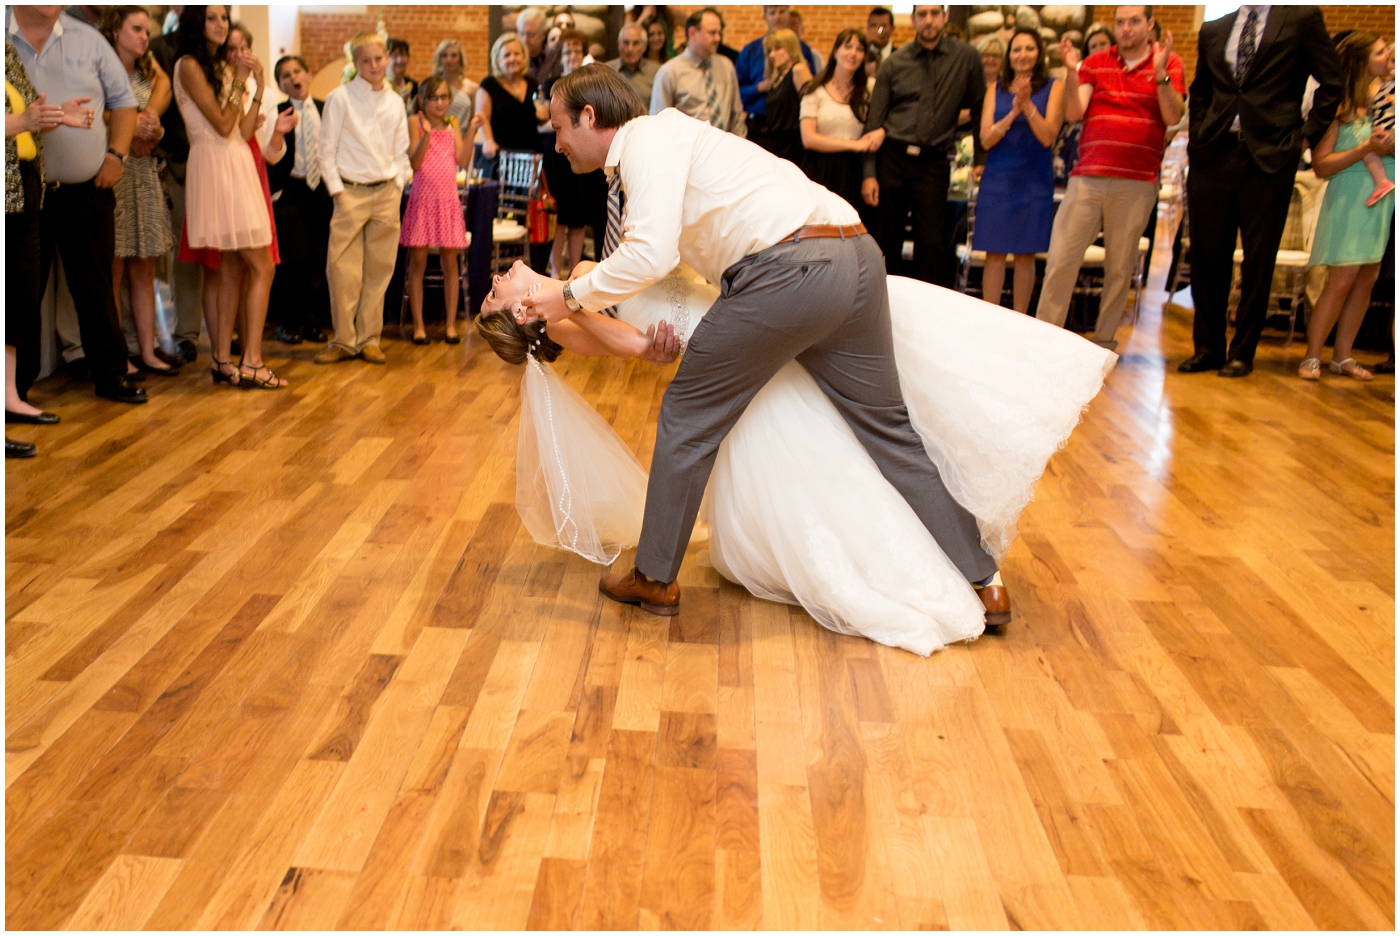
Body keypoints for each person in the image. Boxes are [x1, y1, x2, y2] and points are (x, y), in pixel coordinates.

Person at [518, 65, 1019, 629]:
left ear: (589, 116)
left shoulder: (647, 139)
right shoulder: (680, 137)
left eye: (558, 127)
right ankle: (984, 579)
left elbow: (651, 254)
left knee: (686, 413)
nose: (556, 142)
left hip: (789, 271)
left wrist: (568, 294)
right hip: (856, 255)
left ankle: (654, 576)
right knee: (889, 430)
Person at [479, 268, 1113, 653]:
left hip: (742, 308)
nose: (496, 280)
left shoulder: (572, 286)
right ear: (521, 313)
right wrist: (642, 337)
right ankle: (953, 567)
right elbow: (626, 344)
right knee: (853, 437)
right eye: (493, 294)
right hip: (721, 331)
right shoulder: (563, 315)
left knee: (853, 426)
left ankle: (959, 562)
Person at [1180, 5, 1343, 378]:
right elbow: (1202, 88)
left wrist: (1304, 136)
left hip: (1271, 155)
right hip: (1213, 153)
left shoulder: (1301, 19)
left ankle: (1242, 352)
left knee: (1258, 258)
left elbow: (1332, 82)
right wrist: (1199, 135)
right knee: (1207, 256)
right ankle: (1207, 348)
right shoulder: (1214, 28)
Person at [8, 4, 146, 405]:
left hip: (85, 189)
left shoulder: (90, 40)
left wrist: (117, 156)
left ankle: (111, 375)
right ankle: (16, 388)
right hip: (21, 192)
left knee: (96, 285)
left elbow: (124, 102)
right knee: (22, 292)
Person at [1033, 6, 1184, 351]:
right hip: (1087, 177)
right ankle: (1042, 342)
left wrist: (1160, 75)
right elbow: (1074, 112)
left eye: (1134, 22)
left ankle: (1103, 346)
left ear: (1149, 25)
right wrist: (1073, 71)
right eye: (1120, 22)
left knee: (1118, 270)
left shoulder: (1168, 62)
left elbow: (1173, 115)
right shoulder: (1096, 62)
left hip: (1137, 181)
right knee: (1061, 259)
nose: (1126, 29)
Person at [174, 6, 282, 389]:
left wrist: (260, 86)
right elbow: (221, 126)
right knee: (261, 266)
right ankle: (251, 359)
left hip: (239, 164)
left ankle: (223, 358)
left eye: (224, 18)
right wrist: (239, 79)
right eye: (212, 18)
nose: (220, 25)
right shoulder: (188, 64)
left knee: (234, 268)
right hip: (216, 165)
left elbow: (245, 128)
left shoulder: (222, 67)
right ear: (195, 22)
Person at [6, 38, 92, 454]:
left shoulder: (7, 51)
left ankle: (9, 397)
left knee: (19, 300)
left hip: (22, 185)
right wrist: (22, 122)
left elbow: (24, 115)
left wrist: (56, 116)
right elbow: (16, 120)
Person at [863, 5, 986, 287]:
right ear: (913, 19)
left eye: (934, 14)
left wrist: (981, 156)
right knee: (887, 241)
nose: (928, 21)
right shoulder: (894, 62)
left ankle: (924, 316)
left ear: (944, 16)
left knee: (931, 245)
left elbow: (980, 109)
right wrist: (869, 173)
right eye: (922, 15)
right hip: (892, 158)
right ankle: (886, 308)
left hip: (933, 164)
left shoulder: (966, 58)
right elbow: (874, 122)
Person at [1298, 32, 1395, 382]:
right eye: (1382, 51)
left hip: (1383, 199)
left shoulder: (1386, 102)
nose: (1388, 56)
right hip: (1350, 197)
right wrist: (1366, 148)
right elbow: (1321, 165)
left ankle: (1342, 355)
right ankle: (1312, 355)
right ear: (1361, 61)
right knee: (1340, 282)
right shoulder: (1338, 106)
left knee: (1366, 281)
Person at [315, 31, 409, 366]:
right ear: (355, 63)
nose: (373, 65)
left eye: (378, 58)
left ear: (387, 57)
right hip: (350, 192)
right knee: (342, 270)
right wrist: (338, 192)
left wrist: (398, 183)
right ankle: (343, 340)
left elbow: (401, 152)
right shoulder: (339, 98)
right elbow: (325, 153)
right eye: (365, 60)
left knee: (379, 271)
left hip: (386, 192)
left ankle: (370, 339)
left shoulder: (395, 101)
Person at [102, 6, 178, 377]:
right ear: (116, 30)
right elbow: (104, 117)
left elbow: (157, 110)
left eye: (147, 31)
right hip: (115, 172)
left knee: (144, 268)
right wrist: (132, 130)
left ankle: (147, 351)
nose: (144, 37)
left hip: (145, 174)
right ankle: (120, 355)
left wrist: (153, 128)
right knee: (113, 268)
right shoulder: (102, 70)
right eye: (136, 29)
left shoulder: (148, 73)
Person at [975, 28, 1063, 314]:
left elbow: (1048, 136)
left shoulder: (1054, 86)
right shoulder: (994, 89)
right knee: (995, 252)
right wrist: (1012, 112)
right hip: (998, 178)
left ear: (1039, 54)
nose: (1022, 55)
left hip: (1033, 180)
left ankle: (1021, 320)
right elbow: (986, 139)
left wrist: (1026, 105)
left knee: (1026, 254)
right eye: (1016, 49)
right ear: (1008, 56)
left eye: (1029, 49)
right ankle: (991, 318)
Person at [402, 76, 478, 345]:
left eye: (445, 97)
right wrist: (426, 134)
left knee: (450, 264)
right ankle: (419, 326)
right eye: (434, 98)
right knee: (418, 264)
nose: (441, 103)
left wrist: (471, 132)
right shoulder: (415, 122)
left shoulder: (452, 124)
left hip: (447, 201)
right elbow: (415, 162)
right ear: (422, 100)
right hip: (423, 199)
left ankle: (449, 325)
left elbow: (462, 159)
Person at [147, 10, 201, 364]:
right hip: (176, 159)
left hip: (216, 160)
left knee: (210, 254)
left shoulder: (217, 53)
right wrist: (164, 157)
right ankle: (186, 334)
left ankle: (221, 330)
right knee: (180, 252)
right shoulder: (159, 47)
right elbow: (157, 102)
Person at [267, 55, 332, 346]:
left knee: (319, 257)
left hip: (321, 191)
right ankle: (290, 322)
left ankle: (314, 322)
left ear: (308, 73)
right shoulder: (277, 112)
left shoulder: (325, 107)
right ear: (280, 83)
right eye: (284, 75)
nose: (293, 78)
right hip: (291, 190)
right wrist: (277, 190)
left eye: (297, 71)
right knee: (295, 259)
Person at [541, 29, 608, 278]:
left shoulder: (589, 85)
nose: (572, 56)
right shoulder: (552, 84)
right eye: (567, 52)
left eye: (577, 51)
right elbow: (549, 120)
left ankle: (575, 271)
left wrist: (546, 122)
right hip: (557, 156)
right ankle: (555, 271)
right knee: (559, 216)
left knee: (578, 216)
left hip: (583, 154)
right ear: (560, 56)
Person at [800, 28, 882, 226]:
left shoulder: (870, 89)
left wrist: (882, 131)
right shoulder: (815, 90)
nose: (853, 53)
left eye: (860, 49)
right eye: (848, 46)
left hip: (854, 173)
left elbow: (886, 118)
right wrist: (854, 145)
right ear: (835, 51)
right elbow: (809, 139)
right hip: (820, 170)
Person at [650, 8, 745, 137]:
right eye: (712, 33)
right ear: (693, 33)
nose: (717, 38)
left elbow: (736, 115)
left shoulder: (726, 66)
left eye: (719, 33)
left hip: (724, 148)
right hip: (687, 151)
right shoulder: (670, 72)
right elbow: (659, 122)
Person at [736, 6, 816, 140]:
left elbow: (811, 96)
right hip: (759, 122)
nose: (777, 17)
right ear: (765, 17)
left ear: (788, 14)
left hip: (789, 127)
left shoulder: (802, 55)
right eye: (772, 13)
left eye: (782, 12)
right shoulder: (751, 50)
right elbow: (736, 92)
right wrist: (759, 87)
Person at [475, 33, 547, 179]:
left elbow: (541, 116)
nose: (513, 58)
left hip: (529, 159)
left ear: (524, 57)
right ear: (497, 60)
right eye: (507, 55)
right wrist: (488, 141)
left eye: (516, 54)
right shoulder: (489, 85)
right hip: (501, 158)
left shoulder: (533, 84)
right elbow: (481, 118)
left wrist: (545, 114)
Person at [758, 28, 811, 164]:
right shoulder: (777, 78)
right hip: (774, 146)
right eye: (769, 50)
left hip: (791, 148)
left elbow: (810, 106)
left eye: (778, 48)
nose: (772, 55)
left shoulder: (798, 69)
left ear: (791, 48)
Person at [1361, 44, 1394, 207]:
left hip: (1391, 127)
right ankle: (1381, 181)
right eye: (1392, 61)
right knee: (1367, 147)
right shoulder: (1386, 83)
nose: (1393, 65)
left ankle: (1382, 182)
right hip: (1382, 124)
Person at [606, 23, 659, 104]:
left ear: (644, 46)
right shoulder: (605, 71)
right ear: (618, 44)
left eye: (636, 43)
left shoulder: (657, 72)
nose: (630, 48)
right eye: (626, 43)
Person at [432, 38, 478, 128]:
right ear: (439, 59)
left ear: (460, 59)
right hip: (436, 137)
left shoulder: (472, 88)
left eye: (454, 55)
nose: (449, 59)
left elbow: (474, 121)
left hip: (463, 137)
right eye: (445, 55)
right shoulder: (432, 85)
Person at [516, 6, 548, 82]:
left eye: (530, 34)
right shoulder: (514, 61)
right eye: (521, 34)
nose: (524, 39)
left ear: (543, 34)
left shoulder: (553, 57)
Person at [386, 37, 417, 109]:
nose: (399, 60)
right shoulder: (382, 84)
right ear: (387, 58)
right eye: (394, 56)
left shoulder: (413, 84)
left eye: (402, 55)